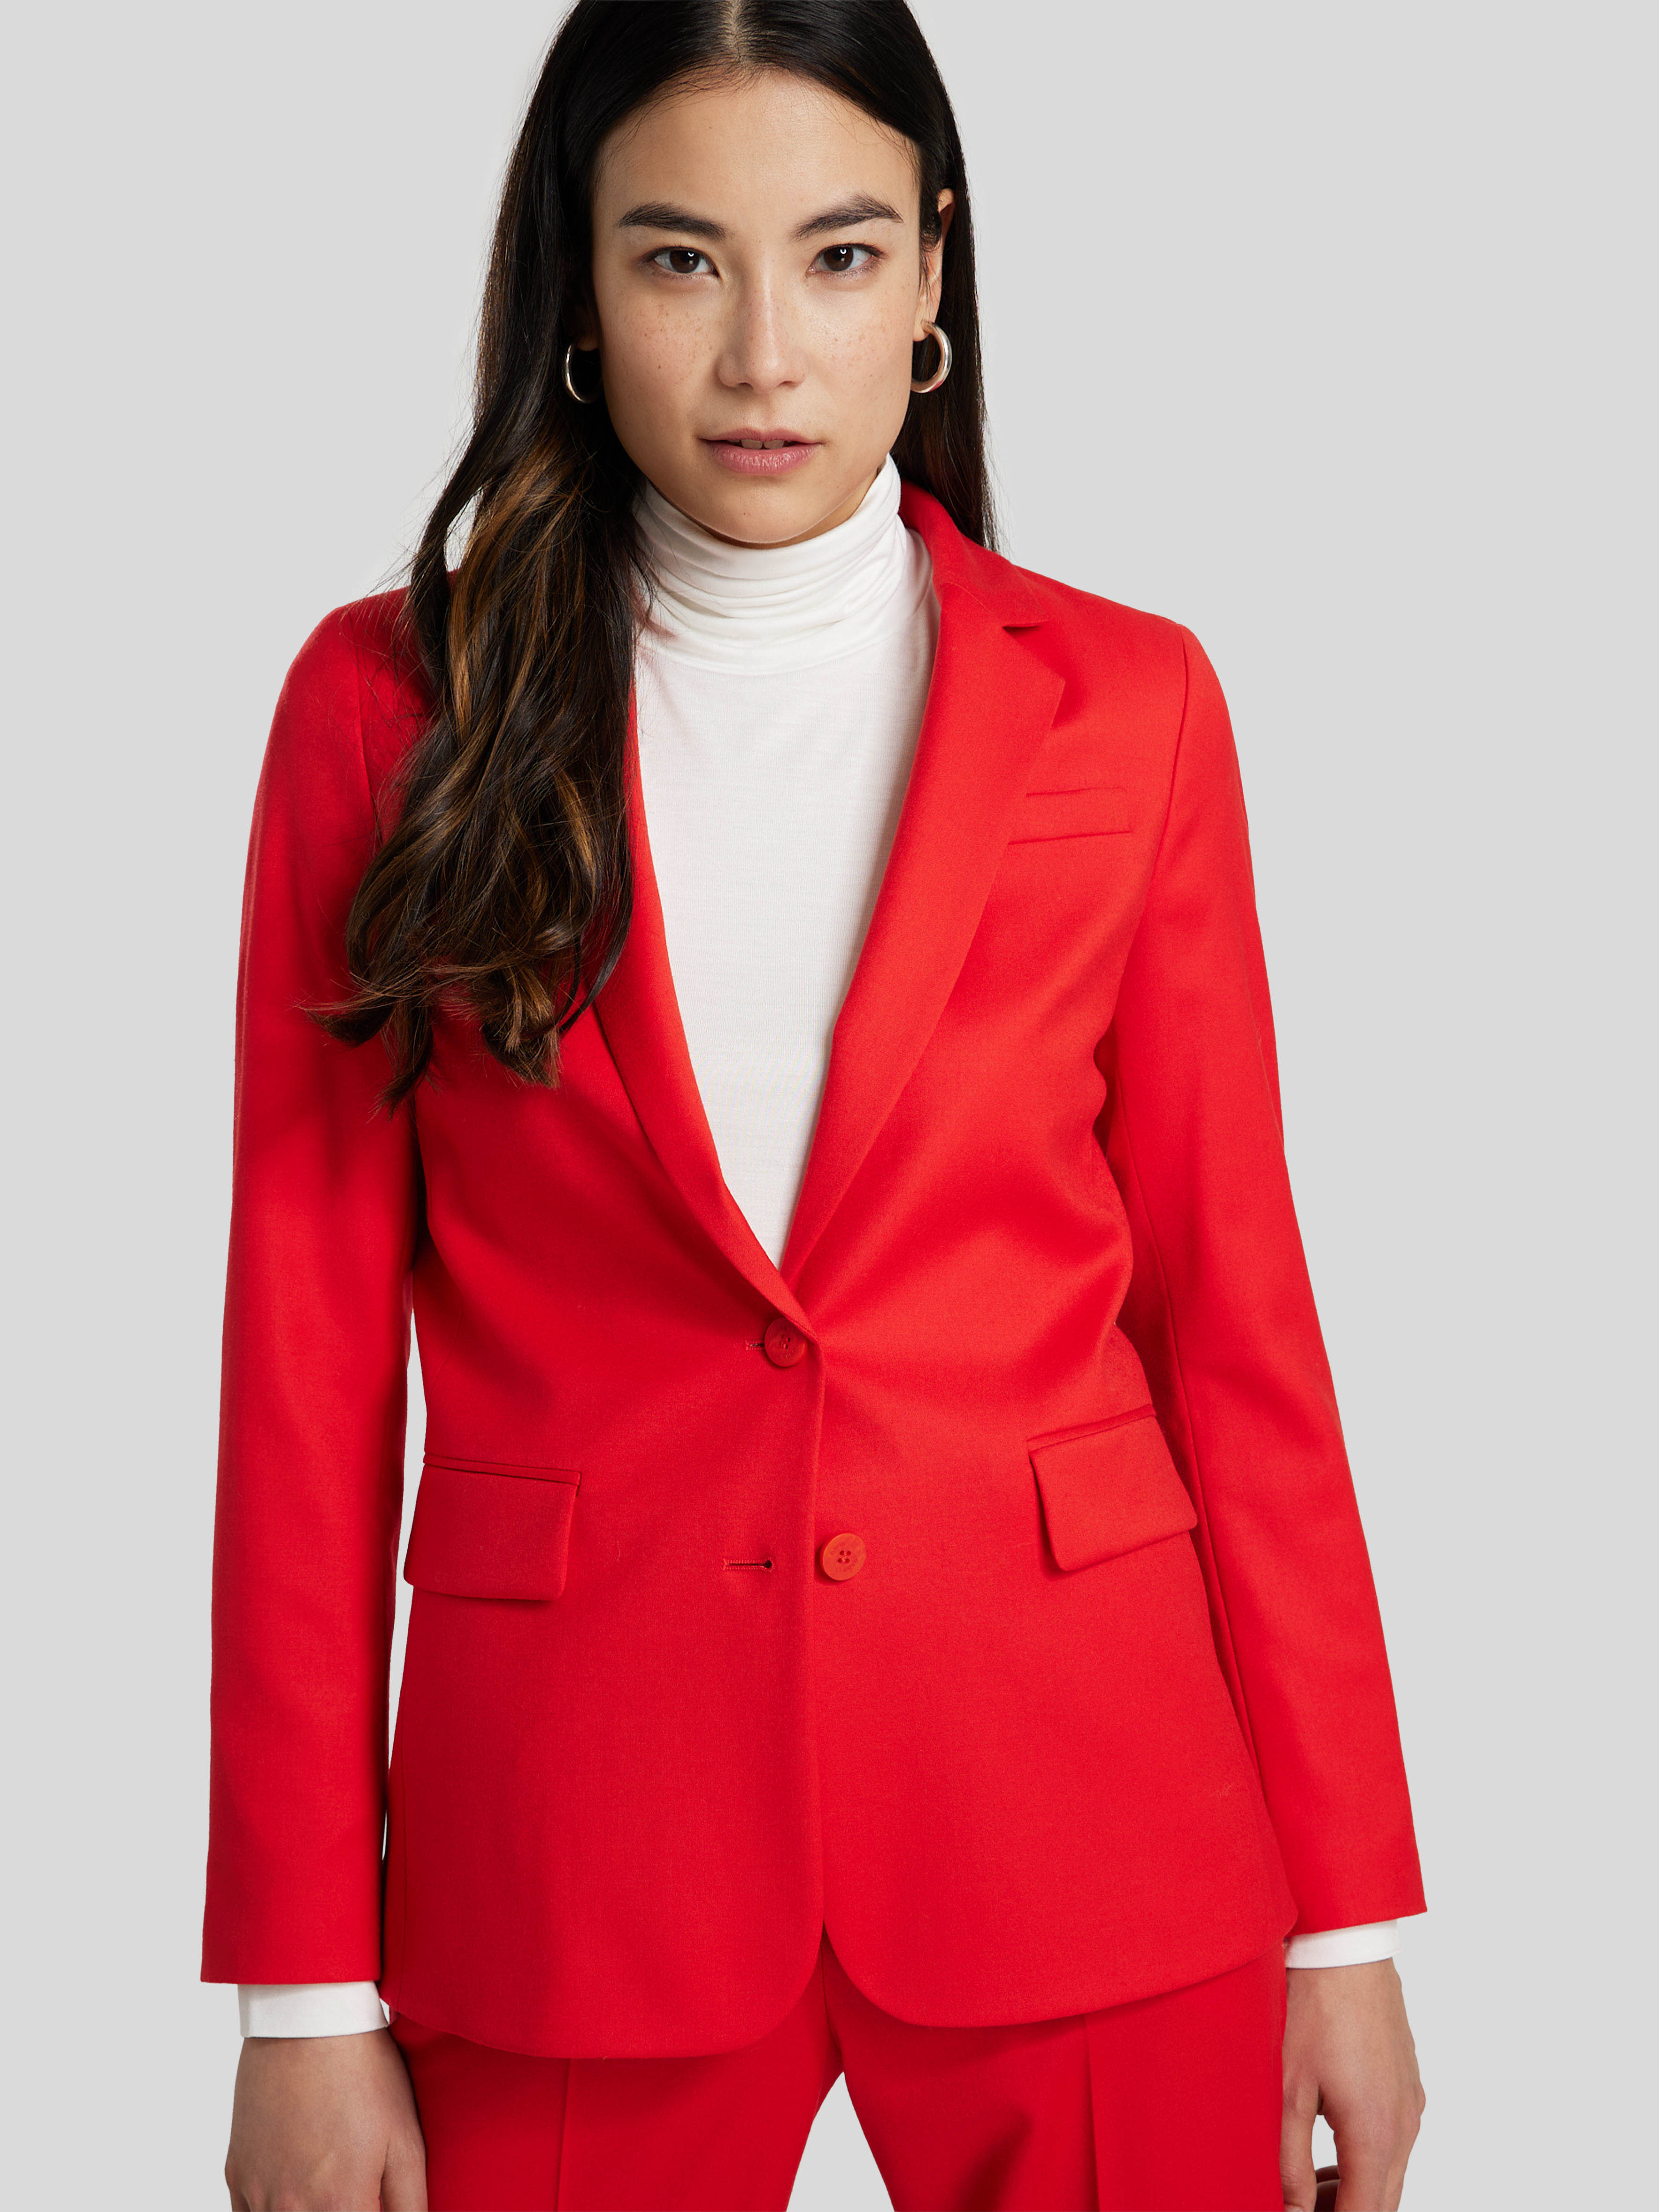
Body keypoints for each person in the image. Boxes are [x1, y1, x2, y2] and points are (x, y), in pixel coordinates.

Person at [205, 4, 1426, 2207]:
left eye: (840, 256)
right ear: (577, 283)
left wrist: (1342, 1920)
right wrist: (302, 1991)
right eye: (679, 258)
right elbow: (303, 1375)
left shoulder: (1131, 704)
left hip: (1089, 1807)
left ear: (935, 271)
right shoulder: (390, 710)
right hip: (577, 1845)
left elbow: (1236, 1331)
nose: (764, 353)